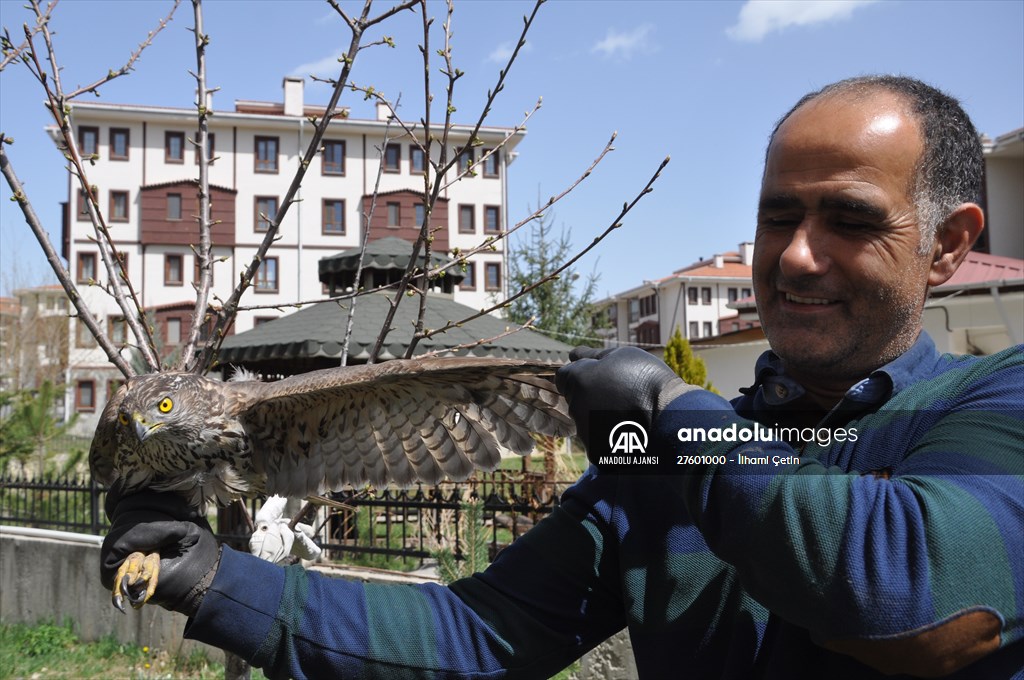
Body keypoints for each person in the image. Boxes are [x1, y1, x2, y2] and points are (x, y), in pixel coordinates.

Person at [101, 75, 1024, 679]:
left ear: (948, 246)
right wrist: (213, 581)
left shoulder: (994, 406)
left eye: (852, 221)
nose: (798, 257)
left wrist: (676, 409)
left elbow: (915, 591)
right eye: (778, 219)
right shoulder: (653, 478)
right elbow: (473, 641)